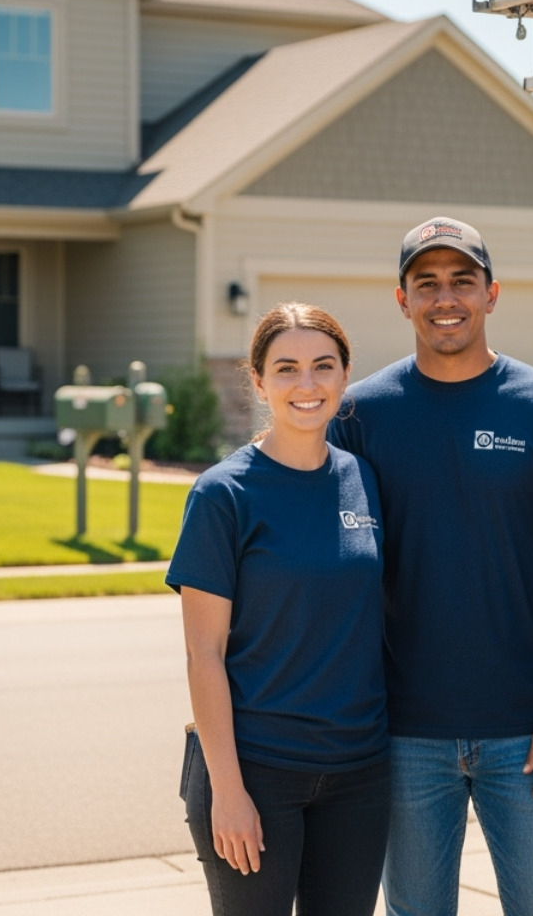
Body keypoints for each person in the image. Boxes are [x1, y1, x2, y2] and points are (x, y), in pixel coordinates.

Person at [328, 217, 533, 916]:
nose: (445, 298)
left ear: (492, 294)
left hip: (530, 731)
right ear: (402, 300)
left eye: (462, 281)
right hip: (402, 733)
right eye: (427, 283)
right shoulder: (359, 413)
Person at [171, 303, 389, 916]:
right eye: (286, 368)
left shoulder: (362, 479)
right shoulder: (224, 494)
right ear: (259, 380)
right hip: (257, 770)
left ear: (345, 377)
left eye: (323, 366)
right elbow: (203, 653)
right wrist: (229, 791)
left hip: (358, 774)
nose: (307, 384)